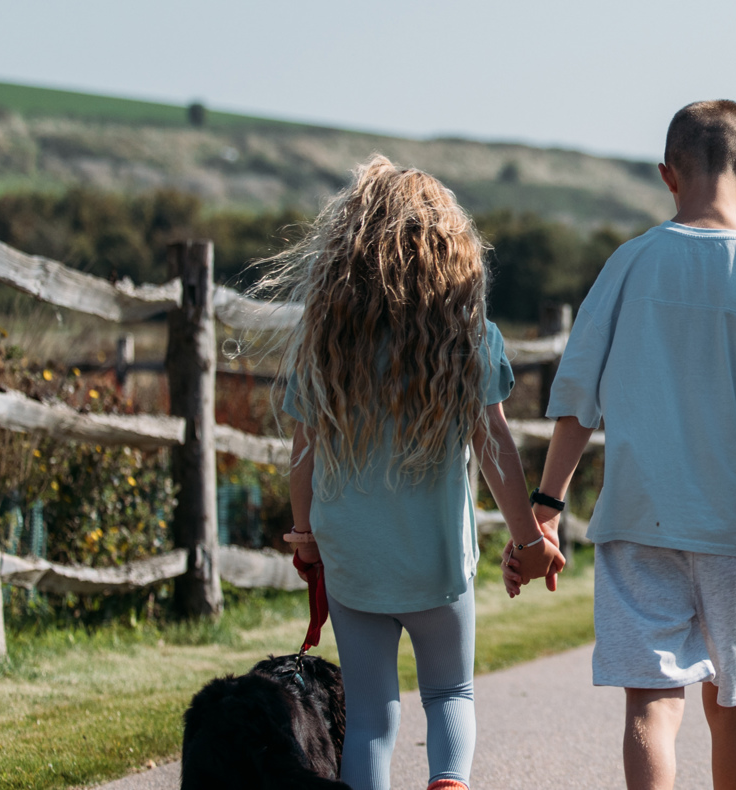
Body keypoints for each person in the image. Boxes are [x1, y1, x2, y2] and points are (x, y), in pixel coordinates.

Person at [528, 99, 736, 790]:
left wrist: (546, 504)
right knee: (733, 697)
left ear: (668, 174)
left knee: (651, 702)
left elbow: (576, 394)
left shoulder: (628, 264)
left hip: (636, 516)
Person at [273, 156, 566, 790]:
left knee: (373, 718)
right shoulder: (468, 340)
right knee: (450, 692)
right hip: (436, 567)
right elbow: (495, 447)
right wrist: (528, 543)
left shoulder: (325, 343)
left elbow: (303, 451)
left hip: (354, 564)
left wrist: (305, 538)